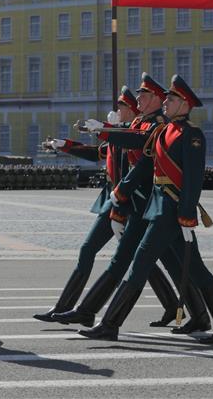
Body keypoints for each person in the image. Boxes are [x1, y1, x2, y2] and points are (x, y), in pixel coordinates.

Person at [79, 75, 213, 344]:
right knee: (196, 269)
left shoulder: (192, 135)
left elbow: (193, 178)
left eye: (172, 99)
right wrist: (104, 133)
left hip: (172, 210)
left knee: (140, 264)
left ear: (185, 103)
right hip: (159, 206)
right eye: (166, 98)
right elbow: (142, 160)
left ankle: (110, 324)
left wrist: (187, 214)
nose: (166, 101)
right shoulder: (163, 131)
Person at [54, 74, 209, 334]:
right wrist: (88, 137)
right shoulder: (145, 124)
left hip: (152, 204)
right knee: (155, 263)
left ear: (158, 100)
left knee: (161, 264)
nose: (138, 100)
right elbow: (115, 150)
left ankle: (99, 316)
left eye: (143, 96)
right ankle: (90, 312)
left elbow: (140, 149)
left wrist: (105, 131)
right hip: (146, 205)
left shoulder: (159, 125)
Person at [33, 86, 180, 327]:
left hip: (130, 202)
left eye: (121, 107)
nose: (117, 111)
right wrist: (65, 145)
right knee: (128, 257)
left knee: (136, 259)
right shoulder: (126, 132)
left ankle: (82, 310)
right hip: (116, 199)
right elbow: (97, 153)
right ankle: (71, 307)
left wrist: (106, 130)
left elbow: (132, 168)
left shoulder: (139, 133)